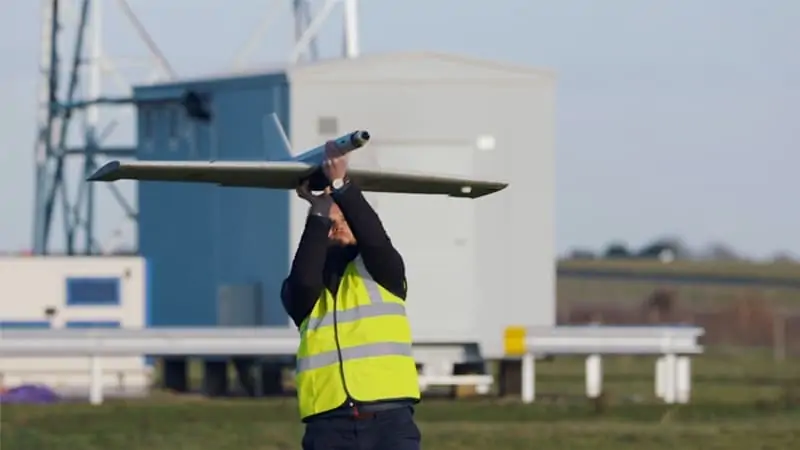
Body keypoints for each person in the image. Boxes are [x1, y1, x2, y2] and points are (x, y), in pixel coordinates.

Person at [281, 140, 422, 450]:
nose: (338, 228)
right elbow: (303, 278)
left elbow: (374, 238)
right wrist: (319, 210)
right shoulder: (302, 291)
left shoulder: (384, 273)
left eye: (345, 222)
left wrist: (341, 186)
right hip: (328, 424)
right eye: (331, 226)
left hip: (389, 420)